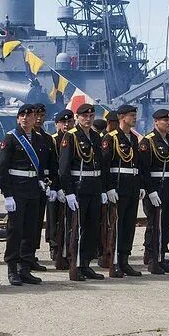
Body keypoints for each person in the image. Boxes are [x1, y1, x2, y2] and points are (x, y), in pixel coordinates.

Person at [0, 104, 47, 286]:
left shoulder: (39, 139)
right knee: (15, 230)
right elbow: (1, 169)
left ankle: (25, 267)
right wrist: (7, 194)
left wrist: (42, 179)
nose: (26, 119)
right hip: (17, 190)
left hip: (33, 189)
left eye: (30, 116)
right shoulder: (11, 139)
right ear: (18, 119)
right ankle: (12, 268)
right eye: (22, 116)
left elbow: (41, 165)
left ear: (35, 119)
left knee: (30, 230)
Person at [58, 103, 106, 281]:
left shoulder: (95, 136)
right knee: (76, 228)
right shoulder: (70, 136)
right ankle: (74, 264)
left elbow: (100, 164)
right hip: (79, 186)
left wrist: (102, 189)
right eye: (84, 116)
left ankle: (85, 263)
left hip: (93, 185)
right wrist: (68, 191)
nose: (88, 119)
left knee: (92, 227)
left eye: (91, 116)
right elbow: (63, 168)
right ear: (77, 117)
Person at [138, 108, 169, 274]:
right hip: (156, 189)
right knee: (154, 224)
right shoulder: (148, 141)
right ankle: (151, 256)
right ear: (156, 122)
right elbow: (144, 169)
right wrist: (150, 190)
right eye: (165, 120)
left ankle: (161, 255)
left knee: (168, 224)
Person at [100, 104, 143, 277]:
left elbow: (137, 165)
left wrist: (140, 185)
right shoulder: (111, 138)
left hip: (131, 187)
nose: (134, 118)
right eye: (131, 115)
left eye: (134, 115)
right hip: (118, 187)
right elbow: (105, 165)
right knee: (116, 226)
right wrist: (108, 187)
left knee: (128, 226)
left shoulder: (132, 138)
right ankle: (114, 261)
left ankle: (125, 260)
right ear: (122, 117)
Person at [30, 104, 56, 272]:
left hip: (42, 185)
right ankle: (22, 255)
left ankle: (31, 254)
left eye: (42, 115)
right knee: (26, 223)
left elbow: (52, 163)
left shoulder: (47, 139)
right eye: (36, 115)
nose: (39, 119)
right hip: (26, 184)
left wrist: (52, 184)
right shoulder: (23, 137)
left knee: (37, 221)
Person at [46, 109, 74, 268]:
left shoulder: (74, 138)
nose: (66, 125)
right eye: (63, 122)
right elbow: (51, 165)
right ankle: (54, 246)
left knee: (69, 219)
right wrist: (54, 187)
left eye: (69, 122)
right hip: (55, 186)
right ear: (57, 124)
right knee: (53, 218)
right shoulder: (53, 140)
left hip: (69, 185)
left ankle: (68, 250)